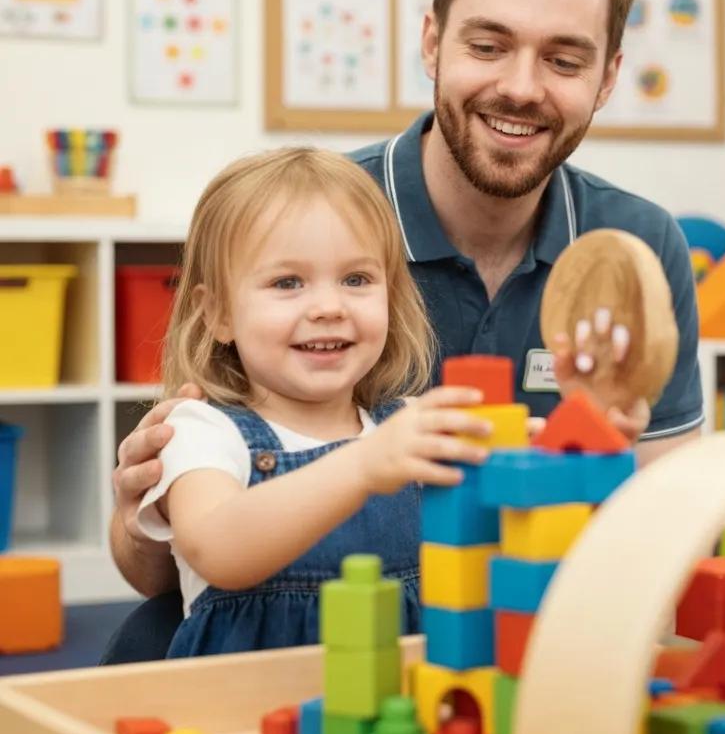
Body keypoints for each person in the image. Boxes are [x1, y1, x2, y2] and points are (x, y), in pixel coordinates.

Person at [105, 0, 703, 662]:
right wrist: (136, 525)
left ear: (609, 75)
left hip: (480, 646)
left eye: (563, 58)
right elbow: (170, 561)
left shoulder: (638, 245)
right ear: (432, 43)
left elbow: (652, 532)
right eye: (488, 45)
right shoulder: (303, 221)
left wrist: (593, 449)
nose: (521, 86)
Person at [131, 147, 491, 657]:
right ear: (218, 315)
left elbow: (496, 532)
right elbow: (219, 548)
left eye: (356, 280)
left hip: (400, 714)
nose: (328, 307)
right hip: (246, 714)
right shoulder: (202, 432)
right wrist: (364, 465)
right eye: (287, 282)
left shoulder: (410, 424)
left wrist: (570, 446)